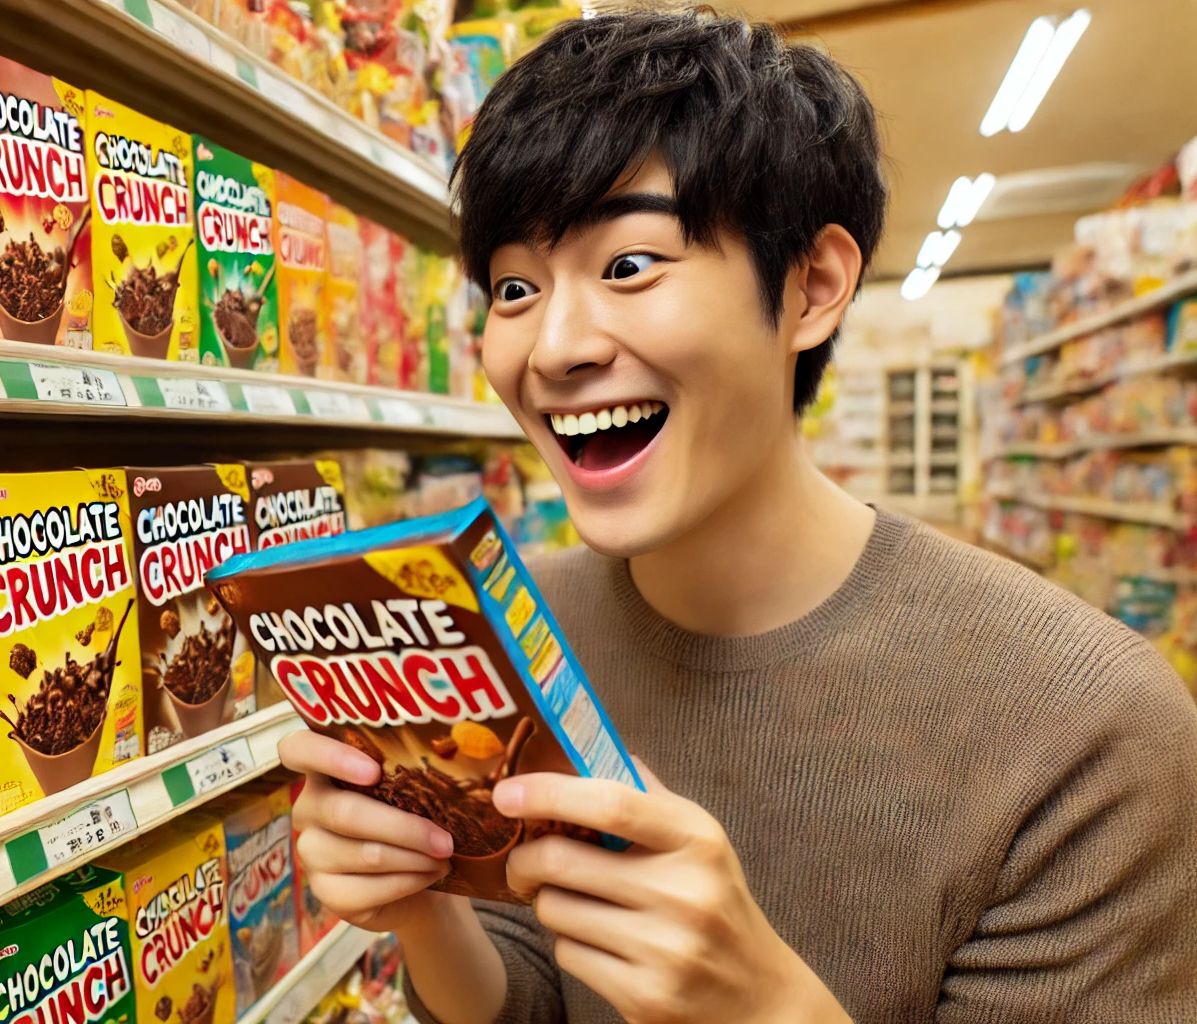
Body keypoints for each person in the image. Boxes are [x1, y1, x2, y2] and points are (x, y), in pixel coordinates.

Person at [277, 9, 1197, 1023]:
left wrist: (765, 1007)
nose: (553, 348)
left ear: (812, 285)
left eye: (628, 265)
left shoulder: (1091, 731)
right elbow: (527, 1000)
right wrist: (423, 908)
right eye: (513, 287)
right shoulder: (507, 619)